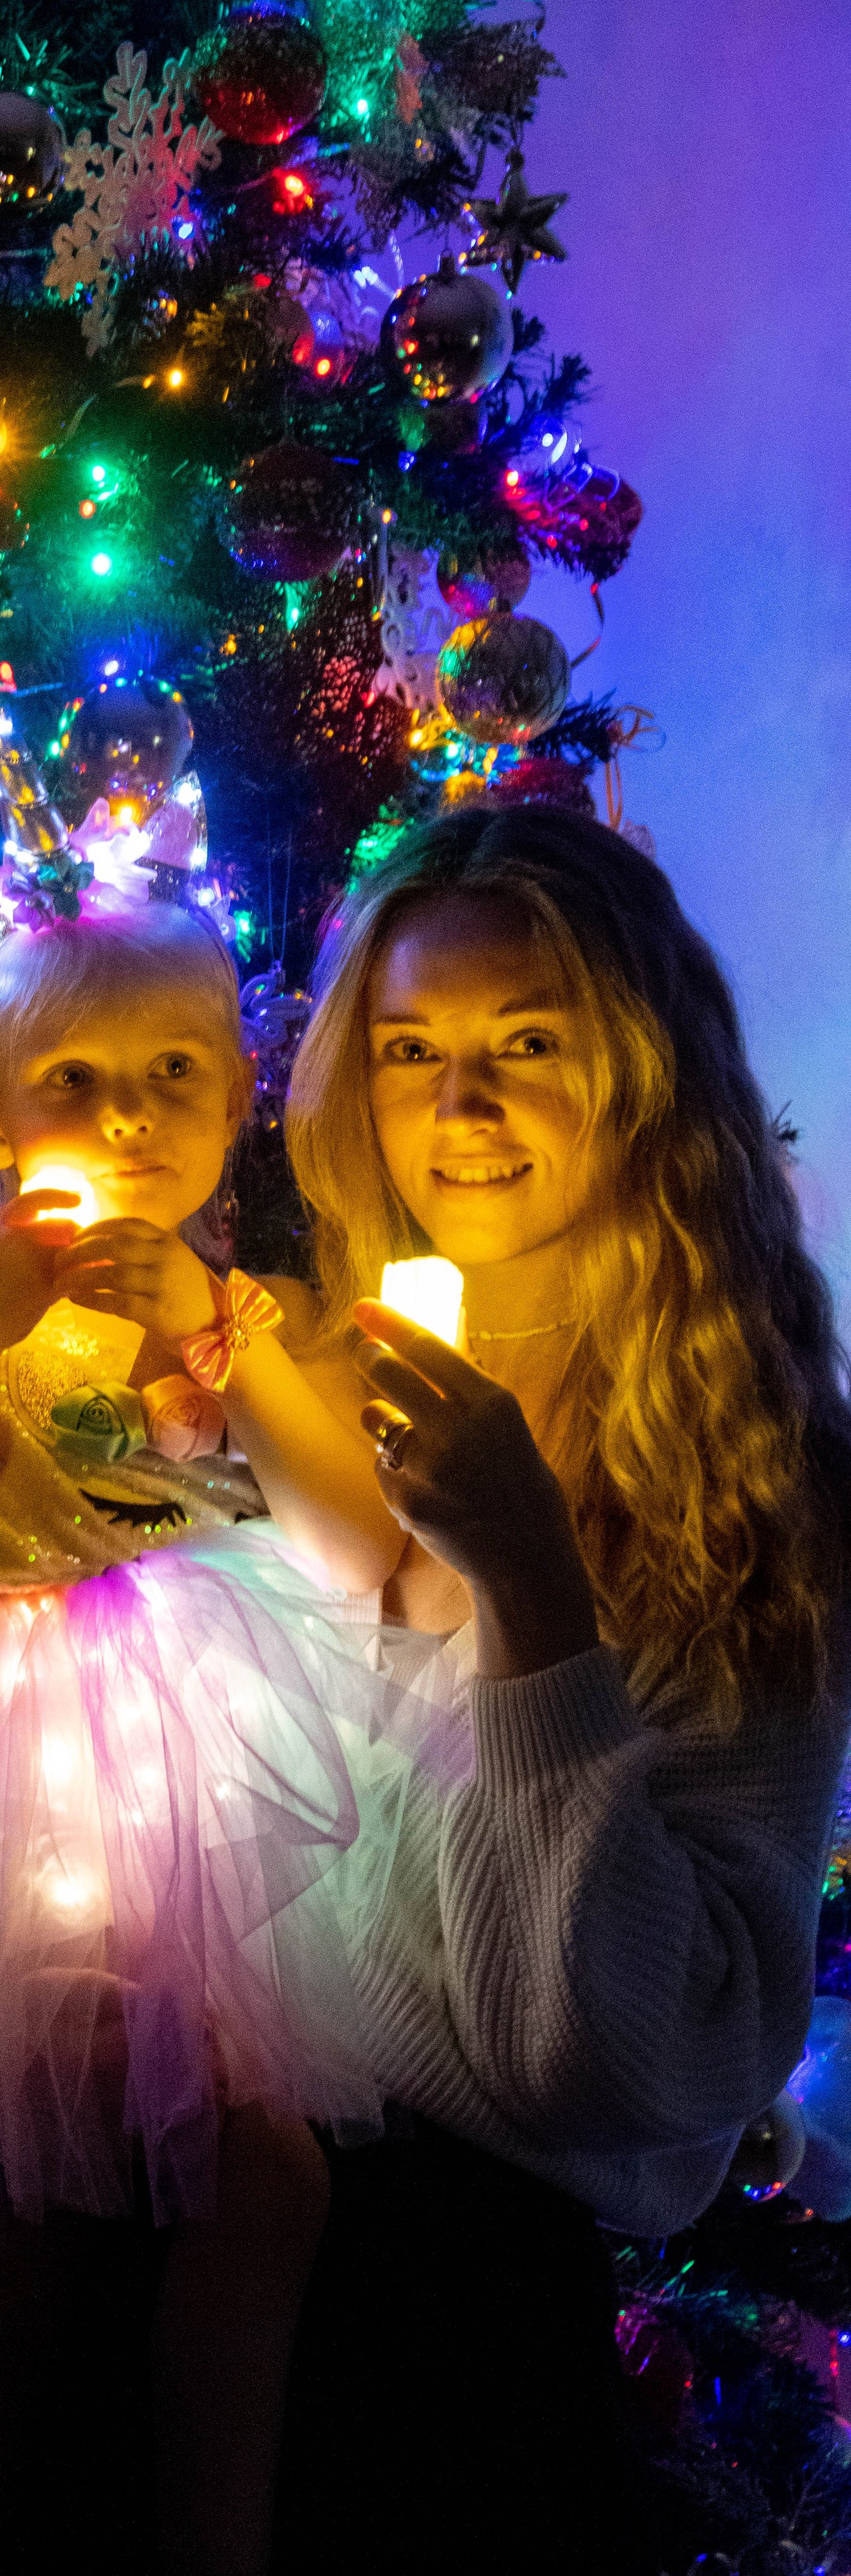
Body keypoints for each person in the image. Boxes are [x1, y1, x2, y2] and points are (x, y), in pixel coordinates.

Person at [0, 784, 445, 2576]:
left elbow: (360, 1553)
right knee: (22, 2241)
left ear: (236, 1091)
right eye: (71, 1083)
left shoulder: (270, 1318)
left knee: (260, 2183)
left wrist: (222, 1344)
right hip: (39, 1807)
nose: (128, 1117)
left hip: (235, 1822)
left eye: (170, 1073)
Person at [262, 803, 851, 2574]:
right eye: (409, 1050)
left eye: (527, 1044)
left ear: (643, 1071)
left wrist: (529, 1596)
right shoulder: (286, 1383)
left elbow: (641, 2057)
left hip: (461, 2322)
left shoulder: (750, 1480)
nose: (459, 1107)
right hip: (192, 2245)